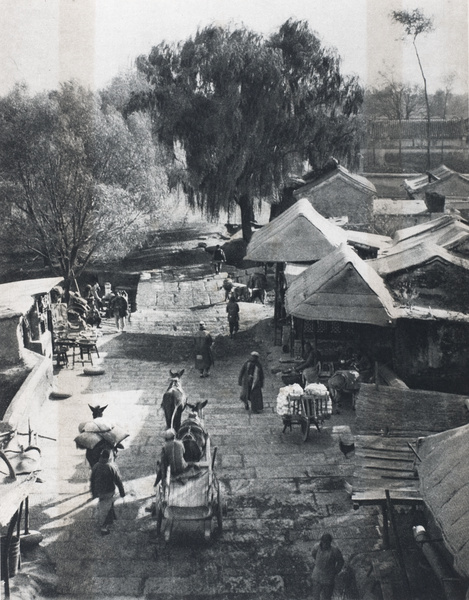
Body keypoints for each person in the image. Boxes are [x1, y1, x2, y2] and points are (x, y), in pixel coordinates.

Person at [90, 448, 125, 536]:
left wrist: (93, 493)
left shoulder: (96, 466)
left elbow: (92, 481)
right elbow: (118, 480)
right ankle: (104, 527)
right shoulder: (110, 467)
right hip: (109, 491)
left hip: (99, 492)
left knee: (106, 505)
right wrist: (122, 492)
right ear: (107, 457)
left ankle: (111, 517)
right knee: (106, 508)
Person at [311, 533, 344, 600]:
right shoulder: (316, 547)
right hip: (317, 576)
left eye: (327, 542)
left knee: (327, 597)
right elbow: (313, 555)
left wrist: (335, 571)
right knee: (315, 596)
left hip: (328, 578)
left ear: (330, 542)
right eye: (324, 542)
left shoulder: (335, 551)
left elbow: (341, 561)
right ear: (321, 541)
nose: (325, 544)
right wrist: (319, 564)